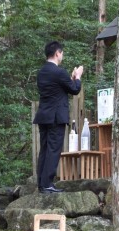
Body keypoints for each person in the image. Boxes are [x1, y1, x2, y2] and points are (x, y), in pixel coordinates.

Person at [33, 41, 83, 193]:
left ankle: (42, 183)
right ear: (57, 53)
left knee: (45, 149)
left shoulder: (41, 72)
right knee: (54, 149)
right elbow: (74, 89)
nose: (62, 56)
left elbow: (59, 86)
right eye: (62, 53)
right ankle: (48, 183)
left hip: (43, 116)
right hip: (56, 117)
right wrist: (78, 77)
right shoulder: (59, 72)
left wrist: (71, 78)